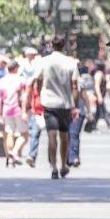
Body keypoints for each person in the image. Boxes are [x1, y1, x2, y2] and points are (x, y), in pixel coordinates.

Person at [34, 34, 80, 179]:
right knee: (64, 136)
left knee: (52, 136)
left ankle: (53, 166)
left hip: (49, 103)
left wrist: (41, 93)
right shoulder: (70, 62)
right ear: (64, 46)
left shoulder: (44, 61)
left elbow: (38, 81)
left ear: (52, 46)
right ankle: (64, 165)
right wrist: (75, 105)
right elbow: (75, 86)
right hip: (65, 103)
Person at [0, 60, 29, 166]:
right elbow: (24, 97)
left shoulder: (2, 81)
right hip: (18, 109)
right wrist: (24, 111)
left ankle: (10, 158)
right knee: (24, 134)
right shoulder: (21, 80)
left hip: (7, 110)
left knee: (10, 133)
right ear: (16, 69)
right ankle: (15, 151)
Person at [67, 64, 93, 167]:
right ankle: (69, 157)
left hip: (79, 112)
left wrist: (89, 112)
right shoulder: (65, 80)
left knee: (73, 134)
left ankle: (74, 157)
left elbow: (85, 97)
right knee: (69, 135)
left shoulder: (80, 81)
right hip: (67, 111)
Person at [24, 73, 45, 168]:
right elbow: (27, 96)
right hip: (36, 112)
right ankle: (32, 156)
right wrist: (25, 110)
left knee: (53, 135)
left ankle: (53, 160)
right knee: (34, 134)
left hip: (49, 111)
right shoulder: (32, 82)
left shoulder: (48, 81)